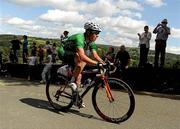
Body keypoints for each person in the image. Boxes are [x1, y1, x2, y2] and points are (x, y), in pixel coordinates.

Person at [57, 21, 105, 107]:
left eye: (98, 33)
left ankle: (76, 98)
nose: (97, 35)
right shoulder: (80, 38)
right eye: (96, 33)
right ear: (89, 32)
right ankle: (71, 81)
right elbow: (82, 56)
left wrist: (104, 63)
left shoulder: (91, 42)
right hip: (63, 52)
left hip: (74, 53)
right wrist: (97, 64)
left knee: (79, 76)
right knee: (82, 61)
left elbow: (95, 55)